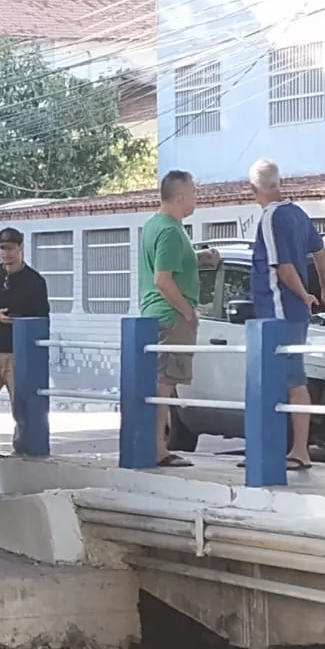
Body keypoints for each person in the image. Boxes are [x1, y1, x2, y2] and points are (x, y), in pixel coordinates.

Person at [247, 158, 325, 470]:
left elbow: (283, 268)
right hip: (292, 312)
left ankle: (298, 450)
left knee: (284, 380)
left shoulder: (271, 218)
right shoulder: (298, 213)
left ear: (253, 188)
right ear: (278, 182)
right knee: (289, 379)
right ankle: (283, 449)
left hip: (278, 309)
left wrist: (306, 295)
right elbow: (321, 251)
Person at [139, 170, 220, 468]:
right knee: (164, 383)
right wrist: (187, 311)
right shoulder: (171, 231)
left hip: (155, 315)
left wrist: (199, 259)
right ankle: (158, 448)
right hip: (170, 316)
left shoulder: (154, 225)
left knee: (163, 383)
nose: (197, 198)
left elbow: (168, 266)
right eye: (195, 192)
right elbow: (163, 279)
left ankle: (157, 444)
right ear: (181, 196)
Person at [0, 227, 50, 468]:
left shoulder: (35, 281)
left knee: (21, 407)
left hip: (18, 353)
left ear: (21, 247)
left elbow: (43, 318)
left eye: (11, 248)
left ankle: (21, 452)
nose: (6, 254)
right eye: (2, 249)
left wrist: (20, 321)